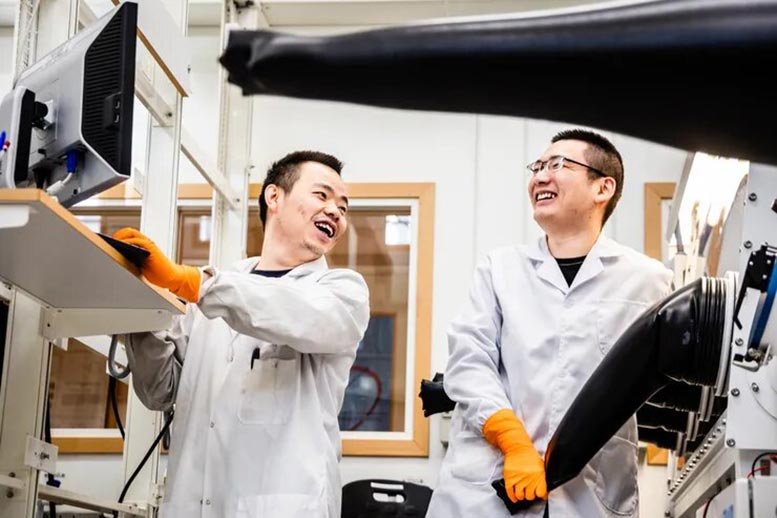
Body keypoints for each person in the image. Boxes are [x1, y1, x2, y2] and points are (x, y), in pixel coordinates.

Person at [426, 129, 673, 517]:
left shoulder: (648, 280)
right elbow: (469, 361)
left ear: (603, 188)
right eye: (538, 166)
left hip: (590, 494)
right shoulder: (500, 269)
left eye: (558, 165)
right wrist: (512, 441)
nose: (540, 176)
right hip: (486, 492)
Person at [114, 150, 370, 518]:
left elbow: (288, 310)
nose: (335, 212)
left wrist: (189, 284)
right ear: (274, 197)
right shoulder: (215, 291)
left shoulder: (343, 292)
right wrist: (142, 308)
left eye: (343, 208)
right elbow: (159, 392)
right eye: (322, 195)